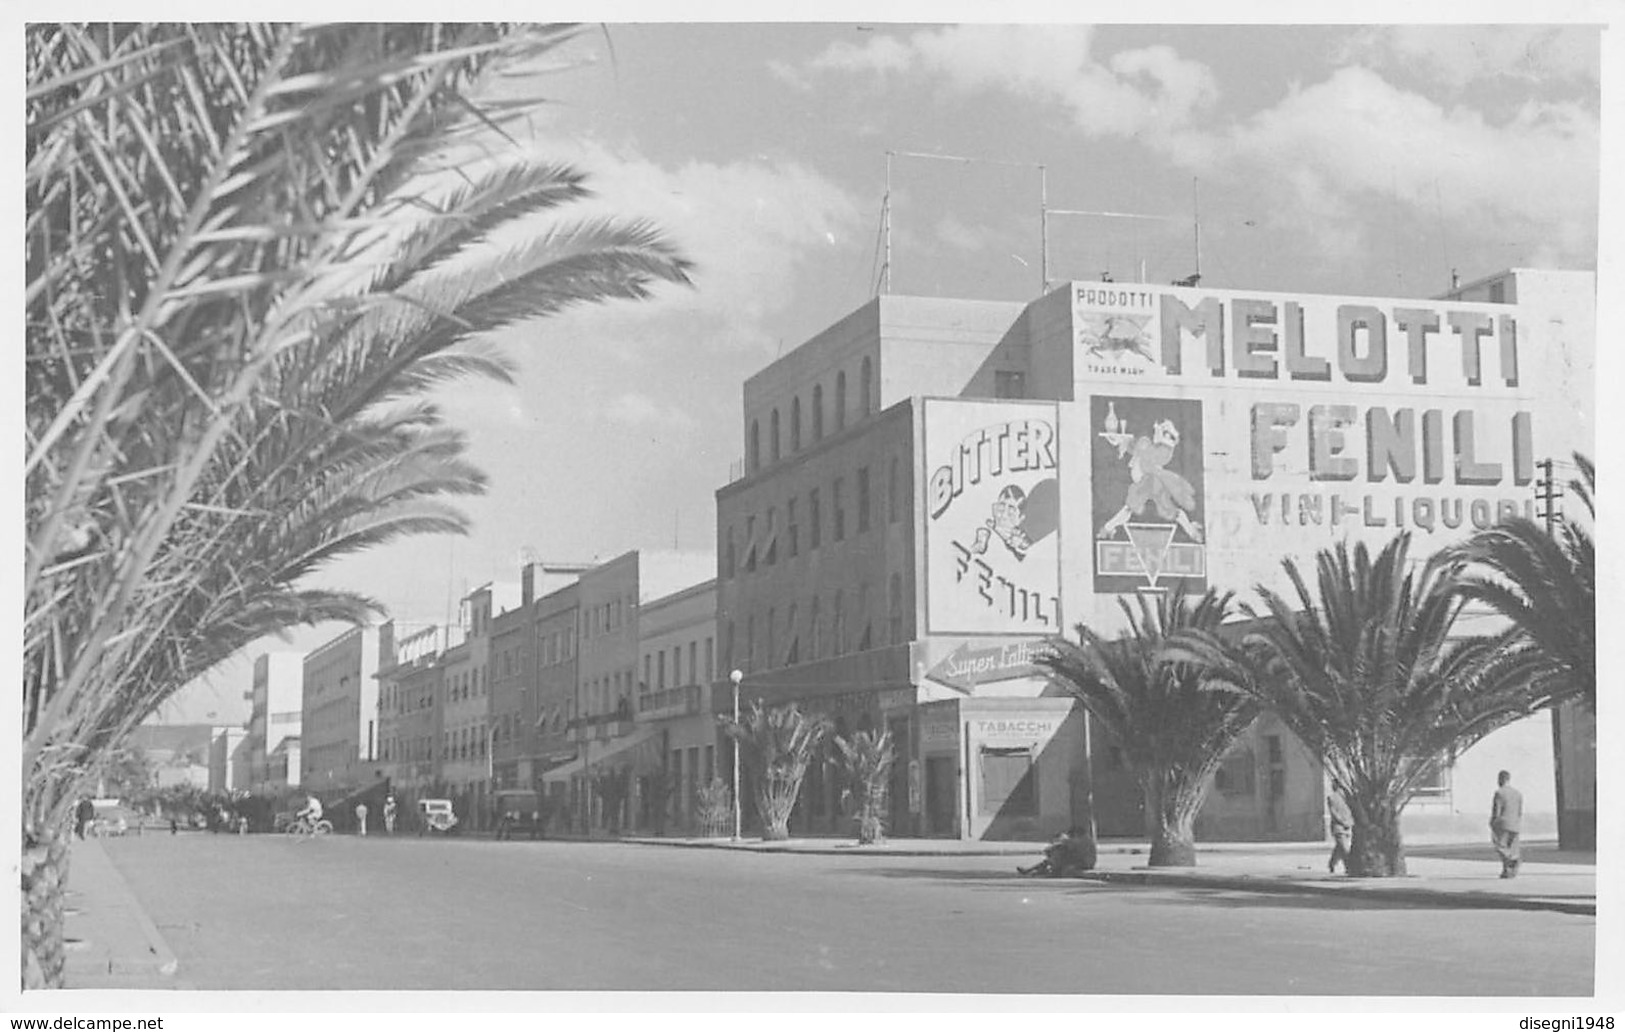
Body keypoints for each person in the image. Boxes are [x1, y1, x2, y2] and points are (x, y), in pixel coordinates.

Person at [1018, 826, 1097, 877]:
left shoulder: (1083, 840)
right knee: (1052, 858)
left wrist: (1058, 844)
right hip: (1081, 860)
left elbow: (1071, 846)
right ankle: (1032, 870)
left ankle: (1035, 871)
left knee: (1056, 856)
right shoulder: (1084, 839)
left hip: (1084, 862)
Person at [1490, 769, 1524, 879]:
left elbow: (1497, 811)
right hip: (1515, 824)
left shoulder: (1499, 793)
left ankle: (1511, 860)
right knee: (1512, 848)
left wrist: (1492, 822)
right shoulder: (1518, 793)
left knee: (1500, 846)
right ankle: (1508, 871)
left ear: (1500, 779)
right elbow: (1520, 811)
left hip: (1502, 824)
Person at [1326, 782, 1354, 874]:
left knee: (1339, 848)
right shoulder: (1332, 798)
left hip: (1347, 825)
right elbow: (1333, 813)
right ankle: (1349, 868)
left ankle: (1332, 863)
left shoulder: (1347, 797)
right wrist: (1343, 821)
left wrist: (1350, 822)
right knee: (1345, 848)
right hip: (1338, 827)